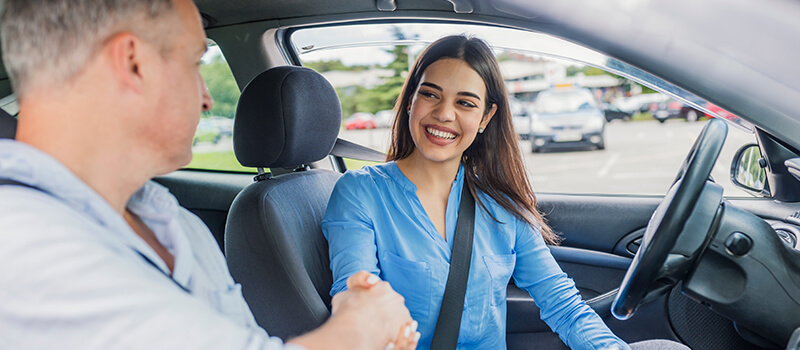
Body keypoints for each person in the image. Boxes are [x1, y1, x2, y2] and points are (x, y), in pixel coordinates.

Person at [0, 1, 418, 349]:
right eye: (194, 62)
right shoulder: (19, 240)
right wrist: (362, 326)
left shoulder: (173, 221)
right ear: (133, 62)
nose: (205, 98)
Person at [322, 35, 690, 350]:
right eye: (430, 95)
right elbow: (353, 291)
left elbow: (563, 305)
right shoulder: (360, 193)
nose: (444, 114)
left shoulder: (503, 207)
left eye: (465, 102)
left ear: (485, 117)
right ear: (411, 101)